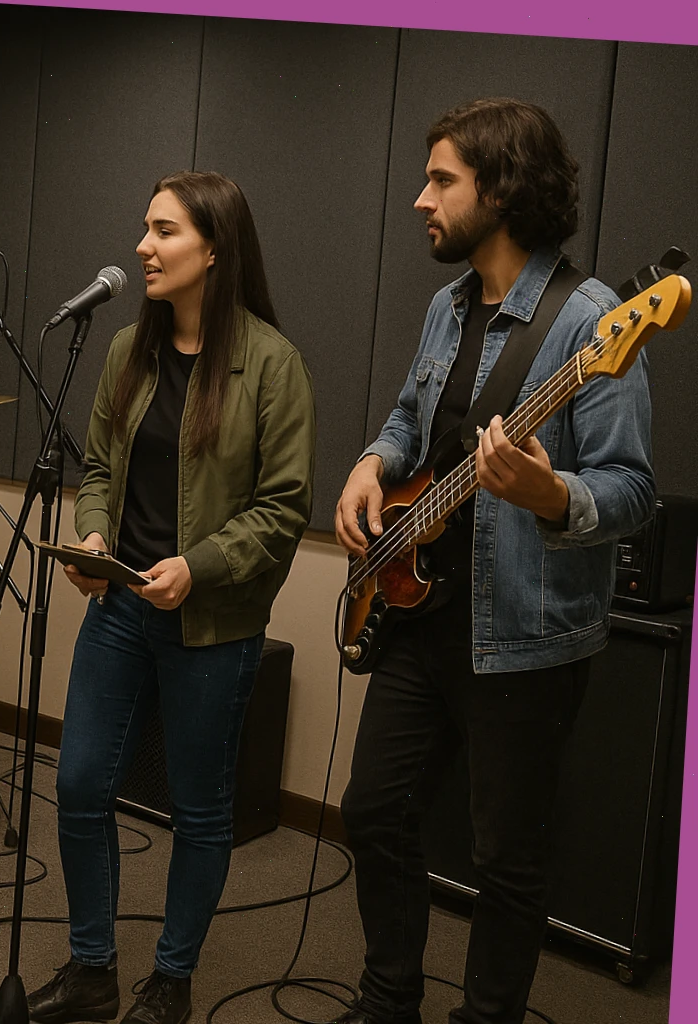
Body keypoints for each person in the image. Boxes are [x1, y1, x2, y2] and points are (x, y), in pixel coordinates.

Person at [333, 98, 654, 1024]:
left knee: (505, 860)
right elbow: (409, 419)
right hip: (416, 619)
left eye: (442, 179)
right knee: (372, 810)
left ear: (502, 190)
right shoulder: (448, 305)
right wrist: (370, 466)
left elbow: (629, 489)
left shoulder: (595, 322)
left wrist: (549, 495)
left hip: (524, 638)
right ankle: (388, 996)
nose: (421, 198)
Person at [31, 171, 317, 1024]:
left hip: (213, 623)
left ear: (213, 249)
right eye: (144, 229)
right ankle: (91, 971)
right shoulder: (127, 350)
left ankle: (173, 981)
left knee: (199, 809)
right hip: (119, 609)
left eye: (162, 232)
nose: (142, 247)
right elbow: (97, 470)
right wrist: (90, 538)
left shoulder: (273, 364)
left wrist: (197, 565)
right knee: (79, 784)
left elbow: (284, 508)